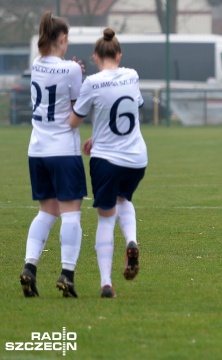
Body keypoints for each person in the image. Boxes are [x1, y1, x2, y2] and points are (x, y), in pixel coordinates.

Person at [70, 28, 147, 298]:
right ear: (119, 54)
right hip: (137, 158)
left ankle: (106, 283)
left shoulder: (92, 82)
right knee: (123, 199)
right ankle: (131, 240)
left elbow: (74, 120)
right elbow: (129, 112)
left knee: (105, 218)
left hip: (106, 159)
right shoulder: (132, 75)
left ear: (95, 56)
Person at [19, 11, 86, 298]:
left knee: (46, 211)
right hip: (64, 150)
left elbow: (56, 75)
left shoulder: (36, 65)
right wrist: (79, 74)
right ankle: (67, 274)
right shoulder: (71, 70)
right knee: (71, 213)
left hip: (37, 150)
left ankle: (30, 267)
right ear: (61, 38)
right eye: (67, 37)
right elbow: (77, 111)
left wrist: (74, 71)